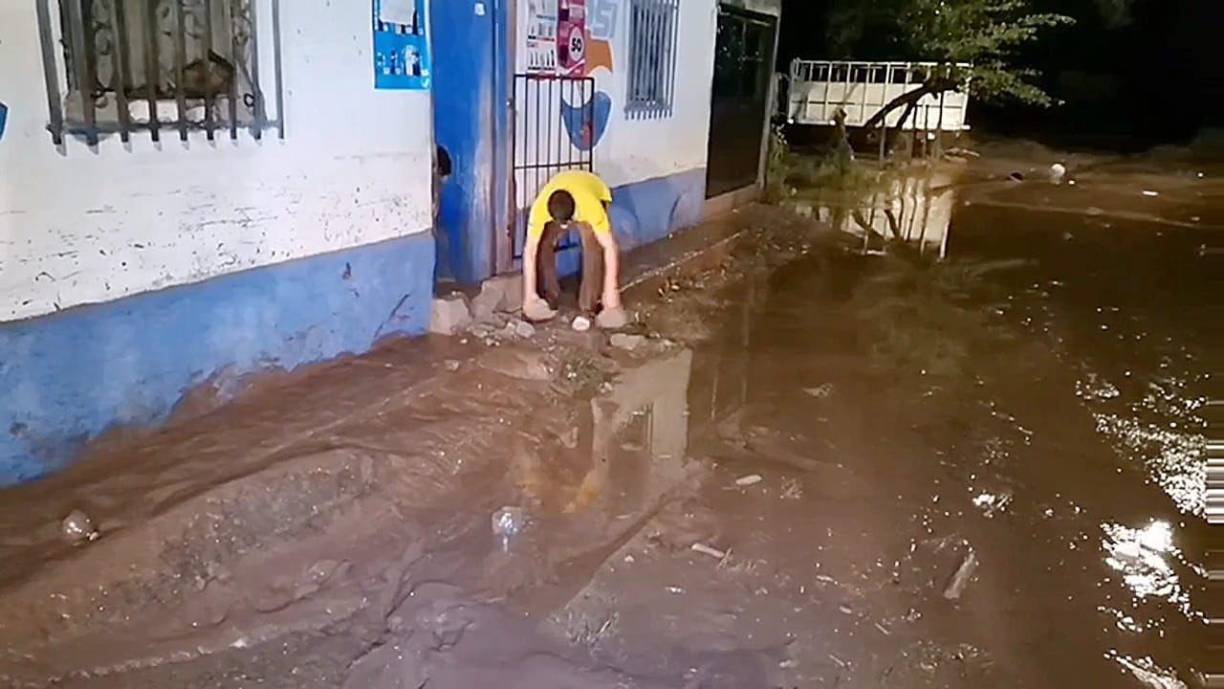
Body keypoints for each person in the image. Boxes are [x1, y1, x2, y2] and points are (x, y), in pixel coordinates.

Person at [522, 170, 627, 328]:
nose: (565, 227)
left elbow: (610, 247)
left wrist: (611, 291)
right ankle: (550, 297)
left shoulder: (591, 207)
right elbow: (530, 250)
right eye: (561, 224)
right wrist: (529, 296)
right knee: (544, 244)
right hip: (562, 191)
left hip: (593, 190)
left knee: (592, 248)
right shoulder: (540, 209)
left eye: (567, 222)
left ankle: (587, 308)